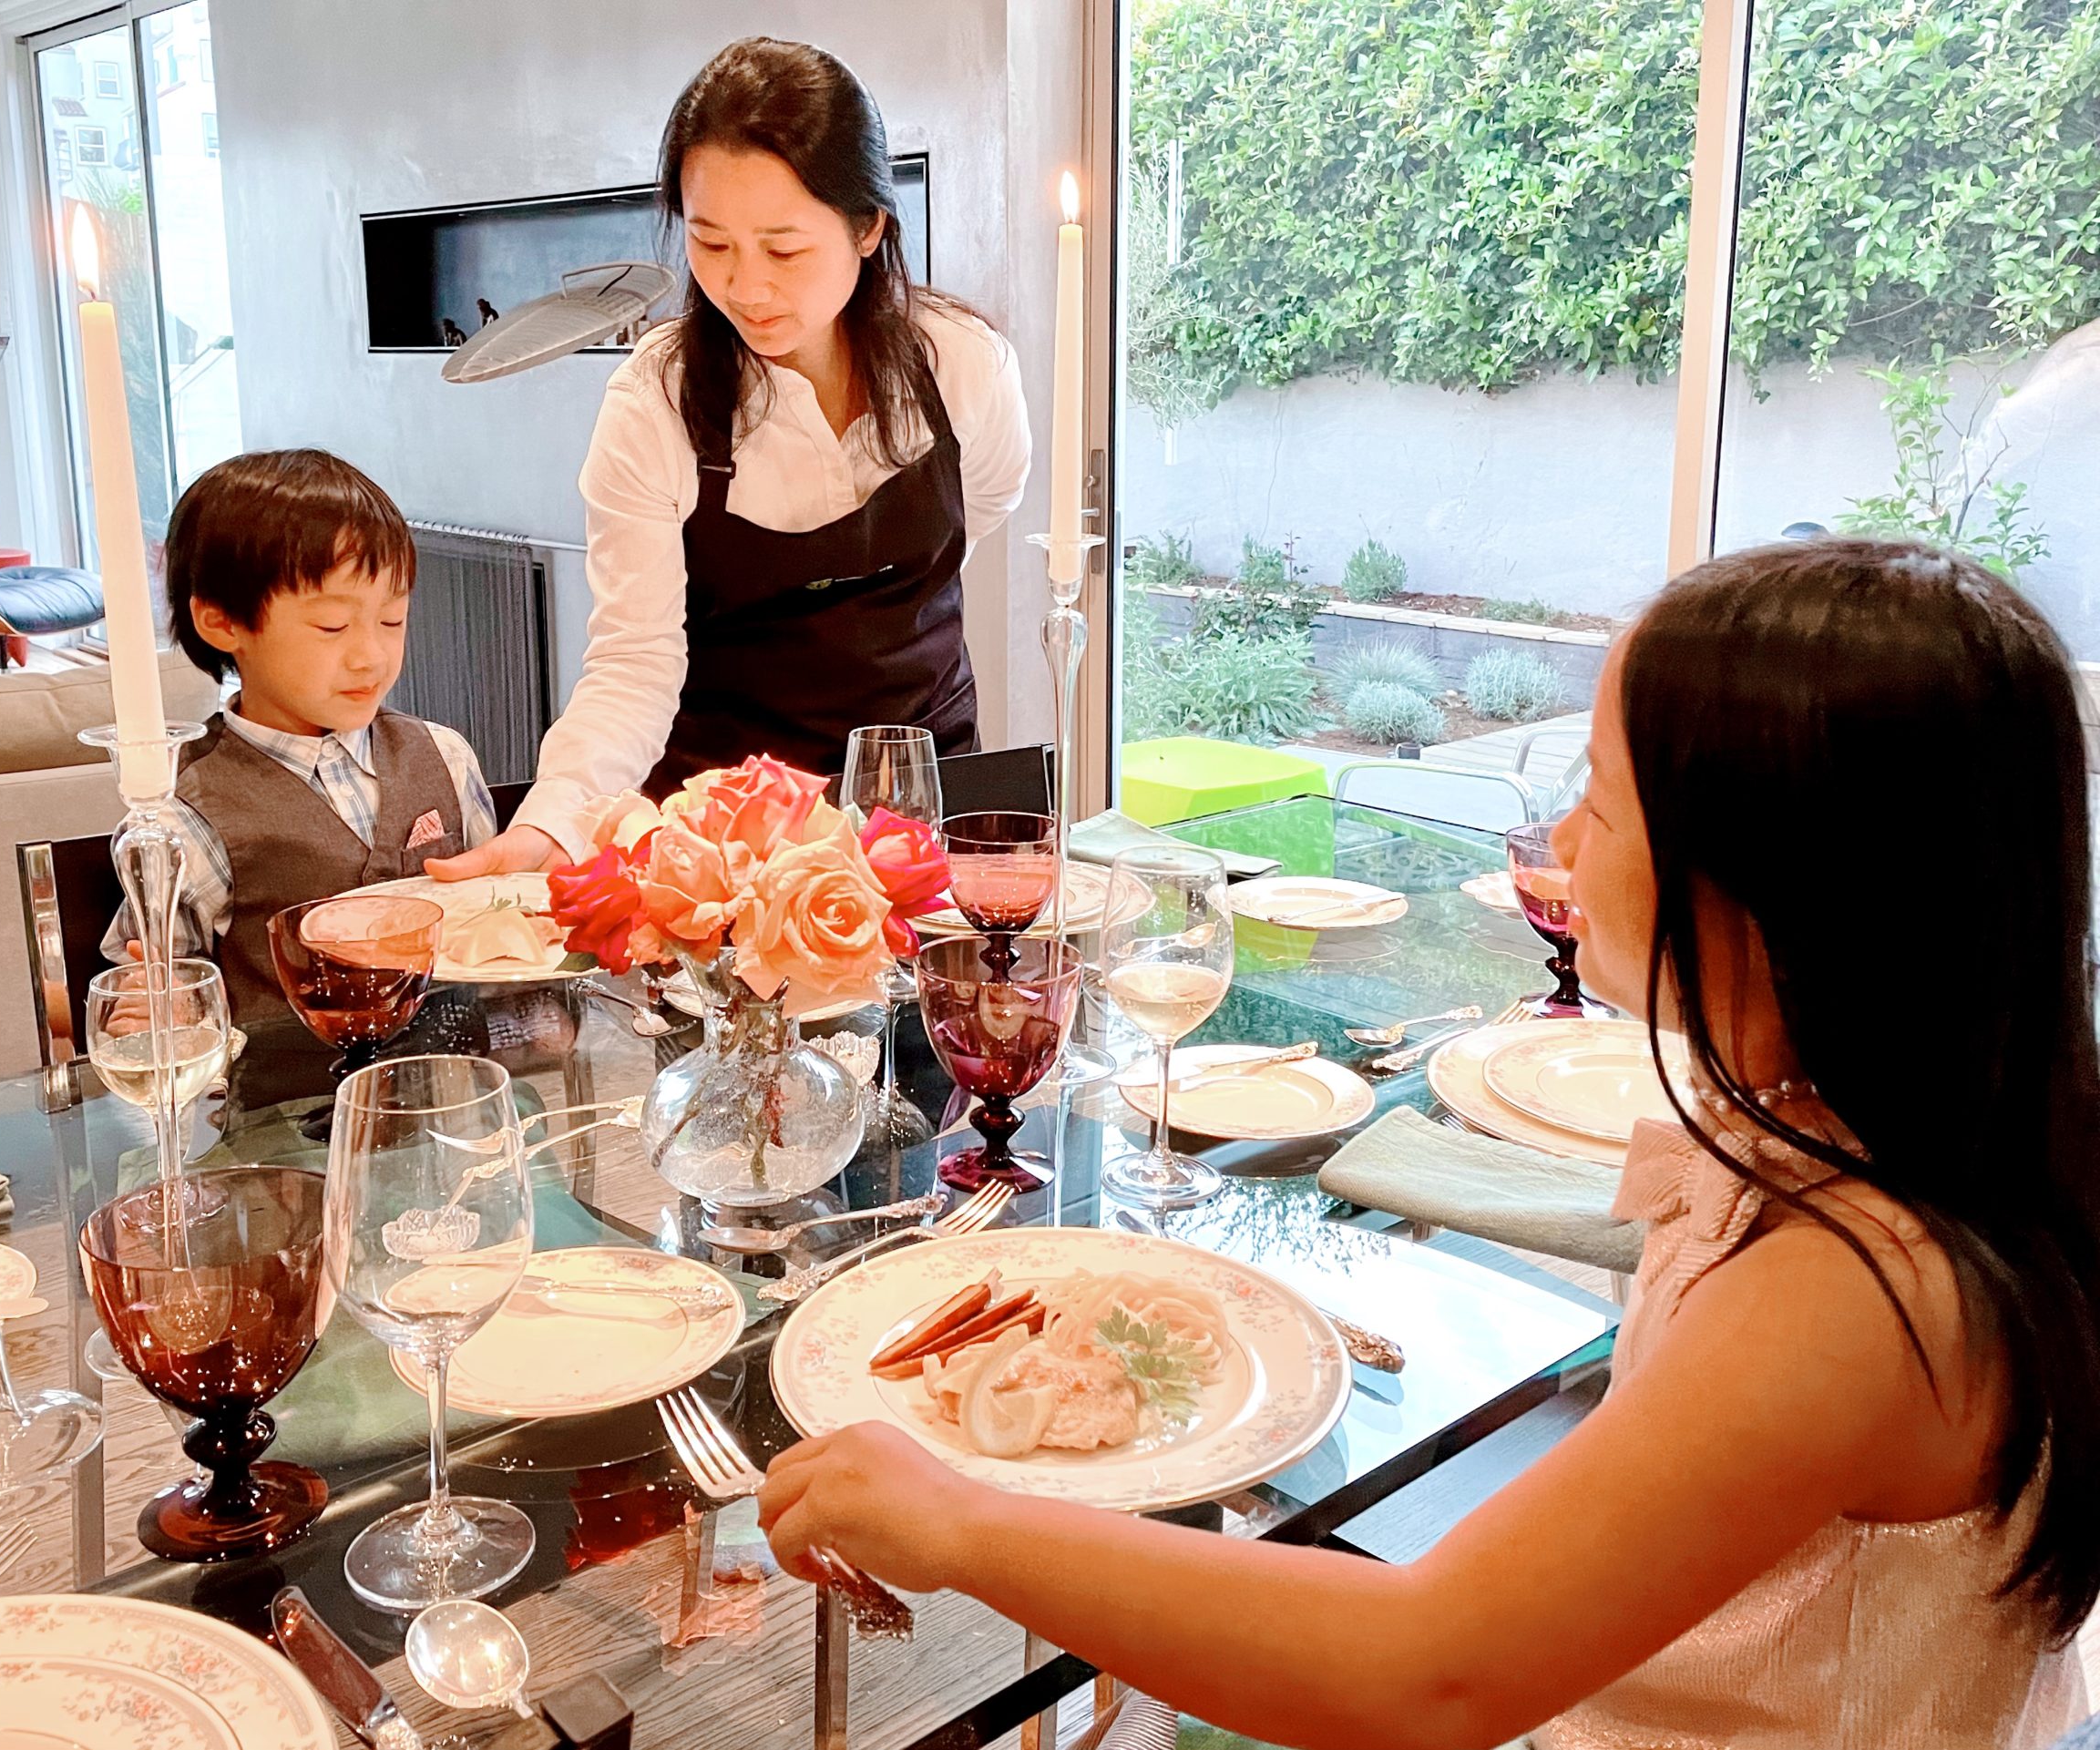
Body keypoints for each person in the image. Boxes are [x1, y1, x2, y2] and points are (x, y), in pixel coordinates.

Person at [758, 537, 2100, 1747]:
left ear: (1778, 886)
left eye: (1605, 802)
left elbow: (1427, 1669)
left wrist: (963, 1522)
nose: (1566, 842)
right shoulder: (1900, 1140)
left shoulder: (1856, 1294)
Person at [431, 36, 1031, 880]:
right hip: (721, 850)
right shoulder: (656, 405)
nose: (745, 287)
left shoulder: (962, 364)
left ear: (868, 227)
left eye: (783, 249)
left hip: (919, 819)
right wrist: (552, 827)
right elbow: (634, 661)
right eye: (711, 245)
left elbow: (981, 512)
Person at [103, 448, 496, 1026]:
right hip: (285, 1107)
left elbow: (494, 914)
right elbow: (150, 990)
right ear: (222, 621)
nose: (371, 657)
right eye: (332, 626)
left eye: (392, 620)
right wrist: (153, 1010)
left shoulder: (444, 756)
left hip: (454, 1088)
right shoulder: (185, 814)